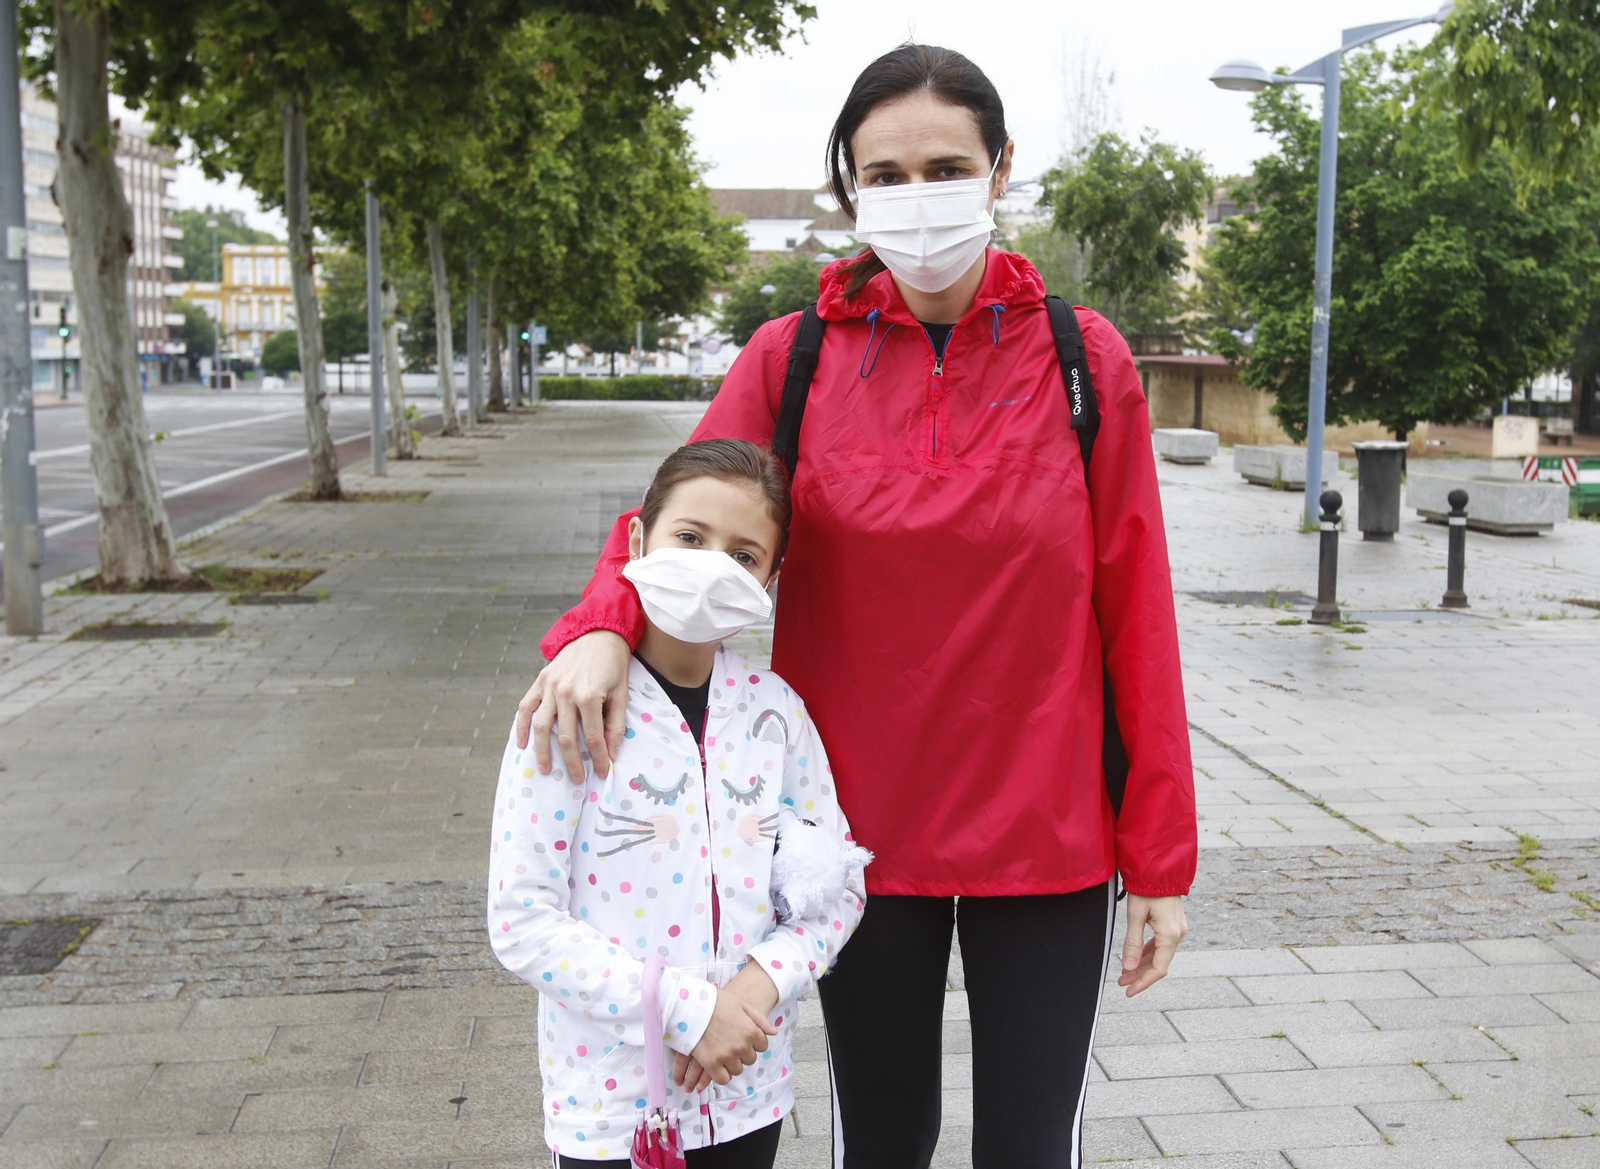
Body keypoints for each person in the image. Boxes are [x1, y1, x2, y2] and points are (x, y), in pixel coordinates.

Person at [515, 43, 1196, 1169]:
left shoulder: (1083, 362)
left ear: (1000, 170)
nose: (916, 194)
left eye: (945, 164)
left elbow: (1140, 617)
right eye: (884, 174)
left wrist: (1160, 859)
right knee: (883, 1138)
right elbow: (676, 519)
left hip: (1050, 827)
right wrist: (597, 627)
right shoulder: (796, 361)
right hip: (849, 836)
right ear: (849, 190)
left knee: (1030, 1146)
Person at [489, 439, 869, 1168]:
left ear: (771, 576)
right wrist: (691, 1014)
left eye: (744, 555)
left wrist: (757, 987)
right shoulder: (572, 708)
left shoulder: (775, 713)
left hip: (747, 1087)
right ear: (639, 539)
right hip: (615, 1105)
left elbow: (837, 883)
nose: (710, 565)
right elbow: (523, 918)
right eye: (690, 537)